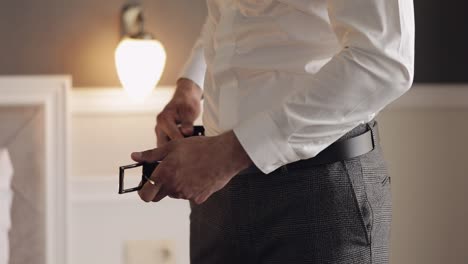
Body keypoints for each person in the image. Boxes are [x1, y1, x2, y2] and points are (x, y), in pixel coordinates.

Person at [131, 0, 414, 263]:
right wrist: (191, 85)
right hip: (218, 196)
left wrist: (230, 153)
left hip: (320, 192)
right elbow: (230, 11)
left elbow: (384, 60)